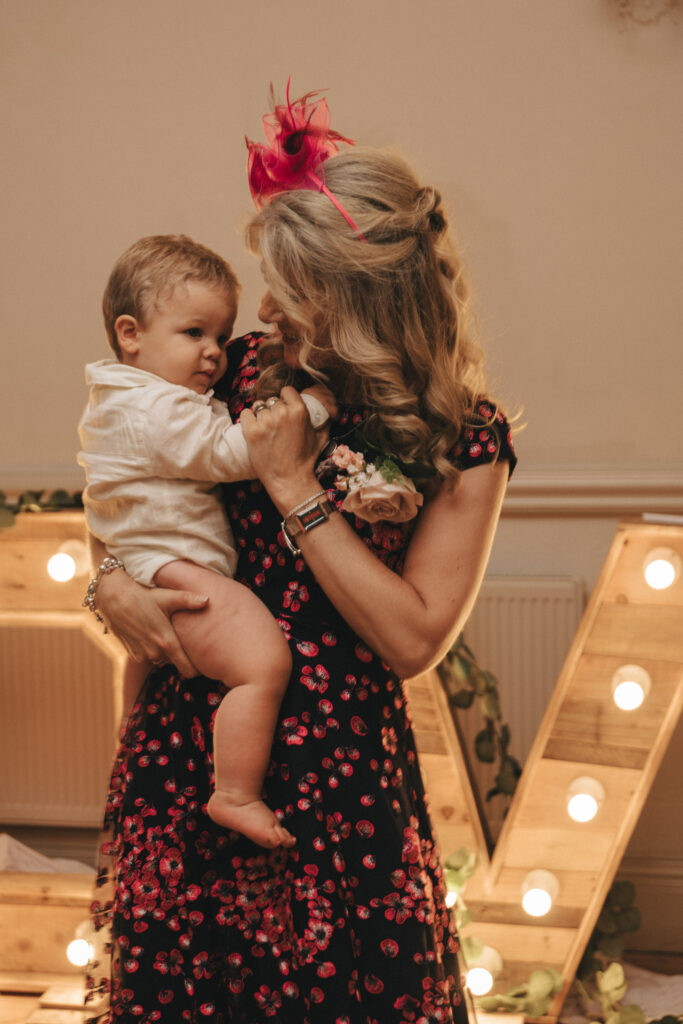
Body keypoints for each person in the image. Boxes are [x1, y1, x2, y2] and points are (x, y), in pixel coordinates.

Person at [86, 90, 517, 1024]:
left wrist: (293, 489)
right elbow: (130, 486)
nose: (269, 308)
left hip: (340, 786)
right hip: (194, 755)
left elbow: (413, 639)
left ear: (361, 302)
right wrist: (107, 579)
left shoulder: (463, 438)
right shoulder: (238, 370)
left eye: (295, 291)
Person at [78, 234, 334, 849]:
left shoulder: (122, 397)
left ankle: (128, 735)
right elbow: (230, 452)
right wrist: (312, 410)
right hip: (177, 567)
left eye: (220, 335)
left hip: (144, 560)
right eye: (194, 333)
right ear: (130, 334)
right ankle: (235, 793)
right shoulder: (157, 409)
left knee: (145, 658)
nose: (214, 352)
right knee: (263, 664)